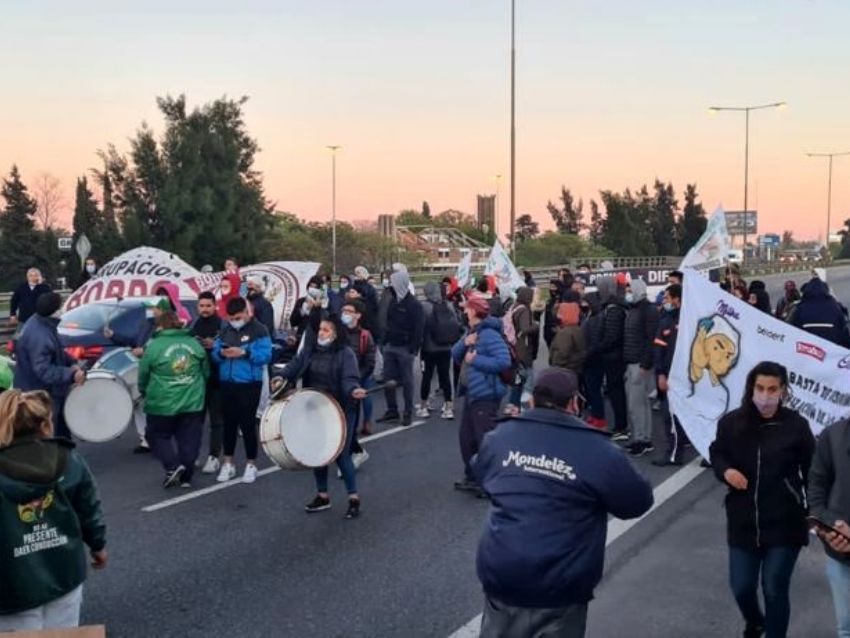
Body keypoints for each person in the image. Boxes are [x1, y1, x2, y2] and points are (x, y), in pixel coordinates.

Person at [472, 368, 654, 638]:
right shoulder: (598, 450)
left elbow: (480, 471)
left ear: (531, 401)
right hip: (559, 580)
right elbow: (636, 501)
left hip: (503, 573)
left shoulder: (501, 437)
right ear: (574, 403)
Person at [709, 361, 815, 638]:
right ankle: (755, 622)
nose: (766, 395)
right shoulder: (732, 423)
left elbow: (814, 471)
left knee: (774, 586)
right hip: (743, 521)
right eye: (760, 388)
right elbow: (717, 453)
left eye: (772, 389)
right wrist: (726, 471)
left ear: (783, 391)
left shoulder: (796, 426)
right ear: (751, 388)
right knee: (741, 586)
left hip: (785, 523)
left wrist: (815, 511)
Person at [0, 389, 107, 632]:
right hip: (64, 571)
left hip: (11, 584)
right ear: (46, 423)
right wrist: (98, 545)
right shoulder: (68, 458)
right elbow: (89, 508)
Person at [276, 317, 366, 519]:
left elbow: (350, 379)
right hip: (315, 408)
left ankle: (354, 499)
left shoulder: (345, 354)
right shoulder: (310, 350)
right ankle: (323, 496)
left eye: (326, 330)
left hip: (341, 408)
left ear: (335, 334)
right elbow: (294, 365)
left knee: (341, 454)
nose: (321, 333)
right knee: (318, 452)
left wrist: (353, 390)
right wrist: (281, 377)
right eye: (320, 329)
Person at [138, 311, 209, 488]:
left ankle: (173, 466)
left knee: (156, 435)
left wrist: (143, 390)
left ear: (160, 326)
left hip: (162, 402)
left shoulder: (153, 346)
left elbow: (143, 374)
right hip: (192, 400)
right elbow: (205, 371)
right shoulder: (194, 343)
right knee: (189, 437)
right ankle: (187, 475)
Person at [451, 294, 511, 494]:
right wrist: (465, 343)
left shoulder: (489, 335)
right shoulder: (472, 331)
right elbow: (455, 354)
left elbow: (503, 361)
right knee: (466, 438)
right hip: (472, 393)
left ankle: (489, 482)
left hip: (485, 394)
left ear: (475, 311)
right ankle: (473, 476)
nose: (464, 312)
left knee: (484, 440)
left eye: (467, 309)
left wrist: (475, 361)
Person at [212, 297, 273, 484]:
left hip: (249, 382)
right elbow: (215, 351)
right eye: (231, 318)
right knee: (228, 424)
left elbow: (266, 355)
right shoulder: (225, 329)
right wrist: (221, 353)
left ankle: (251, 464)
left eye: (238, 317)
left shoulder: (259, 330)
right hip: (227, 381)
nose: (234, 320)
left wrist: (245, 353)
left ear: (247, 313)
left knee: (247, 424)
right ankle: (228, 463)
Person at [13, 293, 85, 439]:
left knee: (61, 435)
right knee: (49, 436)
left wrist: (71, 362)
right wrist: (71, 375)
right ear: (55, 311)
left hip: (46, 392)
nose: (62, 309)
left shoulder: (42, 323)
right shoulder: (39, 334)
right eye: (60, 306)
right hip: (40, 395)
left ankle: (64, 458)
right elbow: (43, 370)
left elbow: (56, 351)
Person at [808, 418, 850, 637]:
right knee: (847, 628)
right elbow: (816, 487)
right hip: (841, 557)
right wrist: (829, 527)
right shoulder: (832, 436)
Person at [377, 270, 424, 427]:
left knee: (407, 381)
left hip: (405, 348)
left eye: (393, 281)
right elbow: (388, 322)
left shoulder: (414, 305)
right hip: (390, 346)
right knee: (388, 380)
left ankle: (407, 412)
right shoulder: (393, 301)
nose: (391, 284)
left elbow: (419, 329)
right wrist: (384, 342)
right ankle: (392, 411)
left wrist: (413, 349)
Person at [587, 276, 628, 440]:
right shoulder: (612, 308)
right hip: (612, 355)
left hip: (614, 357)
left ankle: (621, 426)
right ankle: (620, 425)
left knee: (616, 392)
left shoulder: (613, 310)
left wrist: (596, 349)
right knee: (615, 392)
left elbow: (612, 336)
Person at [623, 280, 659, 456]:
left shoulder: (648, 310)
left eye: (630, 289)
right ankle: (642, 437)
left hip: (640, 363)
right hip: (632, 361)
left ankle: (642, 439)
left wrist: (646, 363)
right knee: (638, 403)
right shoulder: (634, 308)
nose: (628, 292)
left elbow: (651, 339)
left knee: (637, 403)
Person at [190, 291, 225, 475]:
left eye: (208, 306)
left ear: (215, 306)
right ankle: (192, 454)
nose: (204, 309)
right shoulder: (194, 324)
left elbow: (228, 347)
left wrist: (216, 346)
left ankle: (213, 457)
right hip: (197, 381)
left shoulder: (222, 325)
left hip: (218, 379)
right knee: (196, 420)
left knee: (216, 421)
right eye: (201, 306)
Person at [652, 284, 686, 467]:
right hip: (671, 377)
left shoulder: (691, 319)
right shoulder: (666, 321)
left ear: (676, 299)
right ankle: (673, 453)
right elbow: (658, 350)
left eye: (667, 297)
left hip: (690, 377)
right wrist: (661, 374)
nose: (664, 301)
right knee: (669, 416)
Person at [341, 300, 375, 468]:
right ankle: (351, 452)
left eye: (349, 311)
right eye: (344, 310)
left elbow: (369, 362)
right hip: (337, 385)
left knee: (349, 424)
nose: (344, 313)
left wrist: (355, 381)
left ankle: (353, 454)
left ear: (358, 315)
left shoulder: (365, 336)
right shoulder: (338, 333)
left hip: (354, 386)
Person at [418, 281, 460, 419]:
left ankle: (424, 406)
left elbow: (419, 327)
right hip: (446, 347)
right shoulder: (447, 305)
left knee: (427, 377)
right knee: (445, 377)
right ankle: (448, 407)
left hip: (428, 348)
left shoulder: (424, 307)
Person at [788, 277, 850, 347]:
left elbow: (791, 332)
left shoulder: (800, 308)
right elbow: (844, 334)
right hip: (831, 348)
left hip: (807, 350)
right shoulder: (835, 307)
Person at [505, 286, 539, 414]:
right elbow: (525, 328)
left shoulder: (514, 306)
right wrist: (535, 325)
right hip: (523, 348)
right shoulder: (524, 310)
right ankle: (525, 408)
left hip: (513, 345)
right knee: (528, 379)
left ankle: (512, 404)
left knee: (518, 378)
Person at [549, 301, 586, 375]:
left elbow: (562, 352)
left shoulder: (565, 332)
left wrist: (555, 364)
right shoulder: (578, 329)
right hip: (575, 368)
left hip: (565, 369)